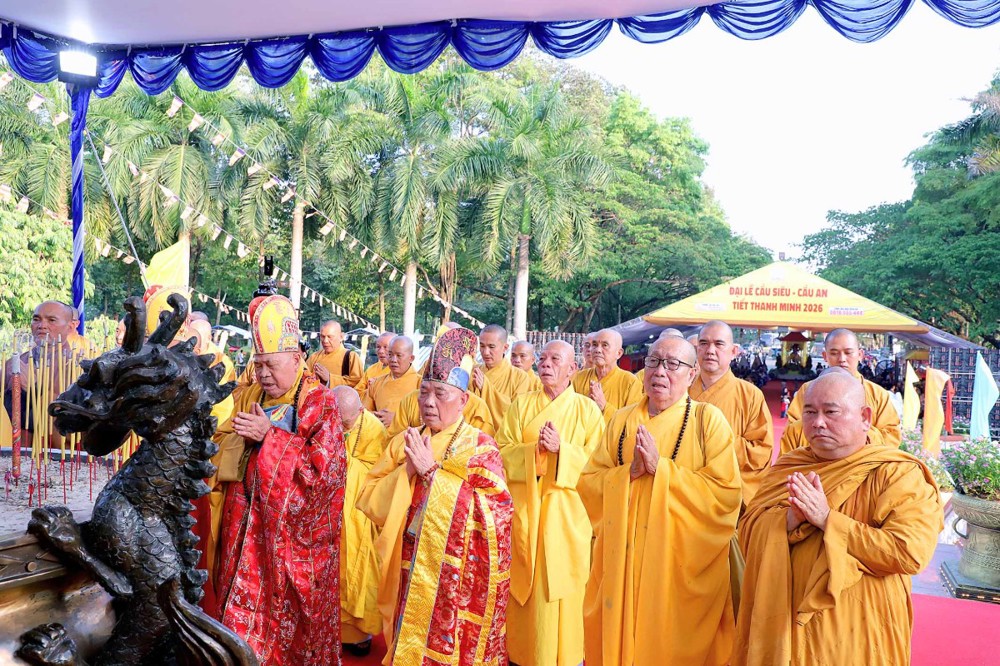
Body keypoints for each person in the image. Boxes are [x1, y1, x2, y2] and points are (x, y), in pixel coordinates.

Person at [734, 371, 942, 665]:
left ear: (865, 417)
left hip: (858, 629)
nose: (818, 422)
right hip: (784, 620)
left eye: (831, 411)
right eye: (810, 412)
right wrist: (788, 522)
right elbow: (748, 531)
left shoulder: (896, 473)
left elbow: (909, 552)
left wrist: (827, 519)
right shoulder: (791, 466)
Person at [579, 336, 742, 665]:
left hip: (679, 567)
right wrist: (628, 475)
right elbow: (587, 483)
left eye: (673, 364)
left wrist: (662, 470)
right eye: (653, 362)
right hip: (621, 564)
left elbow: (726, 495)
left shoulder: (706, 421)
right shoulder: (622, 420)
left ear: (691, 374)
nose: (660, 372)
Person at [357, 326, 512, 665]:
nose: (428, 402)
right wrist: (408, 471)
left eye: (440, 394)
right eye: (423, 392)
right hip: (406, 567)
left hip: (455, 580)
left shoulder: (480, 448)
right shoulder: (406, 441)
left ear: (463, 400)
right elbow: (367, 499)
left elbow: (497, 515)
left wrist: (431, 474)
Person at [211, 294, 347, 665]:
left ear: (297, 358)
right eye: (258, 365)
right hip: (246, 529)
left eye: (271, 365)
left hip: (294, 545)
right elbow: (225, 437)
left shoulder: (318, 402)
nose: (264, 374)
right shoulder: (252, 393)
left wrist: (269, 438)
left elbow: (325, 475)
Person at [496, 340, 604, 666]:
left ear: (572, 369)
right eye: (542, 358)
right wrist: (534, 454)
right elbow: (501, 452)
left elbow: (599, 467)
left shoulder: (587, 410)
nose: (545, 364)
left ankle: (569, 657)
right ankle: (523, 655)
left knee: (566, 591)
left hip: (568, 517)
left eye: (555, 359)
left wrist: (562, 452)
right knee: (526, 589)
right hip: (528, 510)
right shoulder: (521, 405)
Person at [690, 320, 774, 505]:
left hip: (728, 493)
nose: (710, 350)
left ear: (734, 352)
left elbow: (760, 452)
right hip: (685, 487)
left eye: (719, 344)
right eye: (703, 343)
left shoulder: (750, 395)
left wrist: (715, 441)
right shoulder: (681, 389)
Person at [331, 385, 386, 656]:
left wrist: (339, 464)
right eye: (336, 420)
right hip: (328, 511)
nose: (341, 427)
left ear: (361, 410)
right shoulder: (324, 420)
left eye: (347, 422)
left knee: (359, 570)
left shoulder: (374, 429)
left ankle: (357, 635)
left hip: (359, 514)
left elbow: (377, 471)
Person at [786, 329, 901, 448]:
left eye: (848, 353)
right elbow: (793, 433)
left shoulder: (877, 394)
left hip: (862, 465)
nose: (841, 359)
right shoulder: (808, 390)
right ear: (825, 356)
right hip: (814, 464)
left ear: (860, 355)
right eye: (834, 353)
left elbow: (891, 437)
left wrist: (851, 430)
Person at [472, 324, 538, 427]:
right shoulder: (474, 370)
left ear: (505, 348)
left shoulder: (520, 377)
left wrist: (485, 388)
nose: (486, 352)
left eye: (491, 347)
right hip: (472, 436)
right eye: (482, 346)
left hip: (500, 438)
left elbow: (516, 414)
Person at [571, 328, 643, 423]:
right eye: (595, 345)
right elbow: (569, 412)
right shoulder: (579, 377)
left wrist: (604, 406)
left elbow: (632, 422)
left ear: (619, 353)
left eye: (605, 345)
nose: (598, 350)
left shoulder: (630, 382)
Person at [363, 335, 421, 429]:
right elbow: (364, 413)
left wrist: (396, 419)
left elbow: (425, 420)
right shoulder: (377, 383)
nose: (393, 360)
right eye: (390, 355)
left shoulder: (421, 384)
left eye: (399, 356)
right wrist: (375, 417)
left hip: (404, 441)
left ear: (411, 358)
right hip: (378, 438)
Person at [307, 320, 363, 388]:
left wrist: (330, 378)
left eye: (330, 337)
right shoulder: (314, 357)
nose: (325, 341)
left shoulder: (350, 357)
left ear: (341, 337)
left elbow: (358, 384)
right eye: (322, 336)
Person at [355, 331, 394, 399]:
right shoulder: (372, 369)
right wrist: (371, 390)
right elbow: (357, 392)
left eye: (386, 347)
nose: (381, 351)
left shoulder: (400, 371)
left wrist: (377, 386)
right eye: (378, 347)